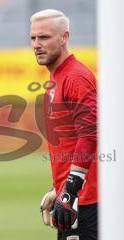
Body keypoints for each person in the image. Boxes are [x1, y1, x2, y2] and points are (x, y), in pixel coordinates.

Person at [30, 9, 98, 240]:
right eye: (33, 38)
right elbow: (69, 142)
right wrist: (57, 189)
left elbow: (89, 136)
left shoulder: (75, 77)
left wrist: (69, 191)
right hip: (74, 196)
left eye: (44, 37)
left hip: (87, 201)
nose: (37, 44)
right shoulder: (56, 77)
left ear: (64, 37)